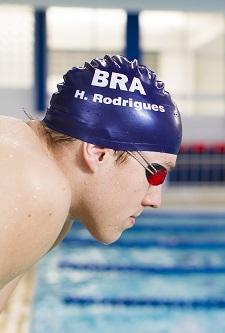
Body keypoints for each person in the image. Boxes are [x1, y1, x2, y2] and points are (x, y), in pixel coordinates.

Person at [0, 55, 182, 310]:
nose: (155, 200)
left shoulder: (28, 162)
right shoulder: (39, 189)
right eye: (155, 174)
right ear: (99, 153)